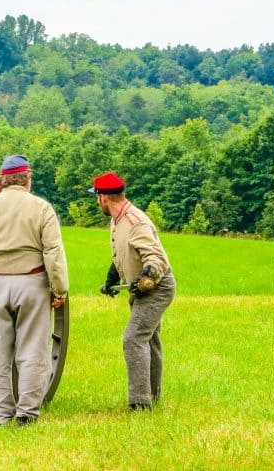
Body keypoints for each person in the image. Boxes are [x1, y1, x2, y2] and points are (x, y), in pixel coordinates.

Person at [0, 155, 69, 427]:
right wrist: (60, 289)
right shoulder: (42, 208)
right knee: (32, 350)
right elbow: (53, 252)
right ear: (28, 178)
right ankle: (27, 413)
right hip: (31, 283)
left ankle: (0, 415)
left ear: (2, 179)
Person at [92, 172, 176, 411]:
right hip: (140, 288)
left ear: (103, 198)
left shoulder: (134, 221)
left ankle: (140, 402)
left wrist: (147, 278)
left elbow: (154, 257)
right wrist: (112, 278)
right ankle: (152, 395)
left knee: (134, 338)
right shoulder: (117, 219)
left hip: (157, 287)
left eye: (97, 197)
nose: (97, 202)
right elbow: (124, 252)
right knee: (149, 340)